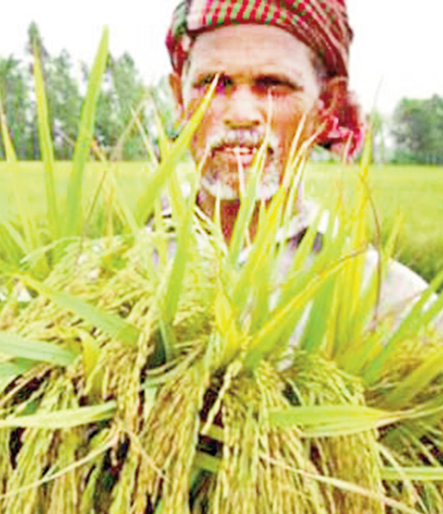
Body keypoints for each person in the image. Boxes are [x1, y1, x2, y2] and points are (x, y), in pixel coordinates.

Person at [164, 0, 432, 329]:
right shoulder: (108, 274)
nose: (241, 114)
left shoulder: (392, 305)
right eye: (213, 84)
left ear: (326, 104)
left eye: (273, 85)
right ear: (179, 98)